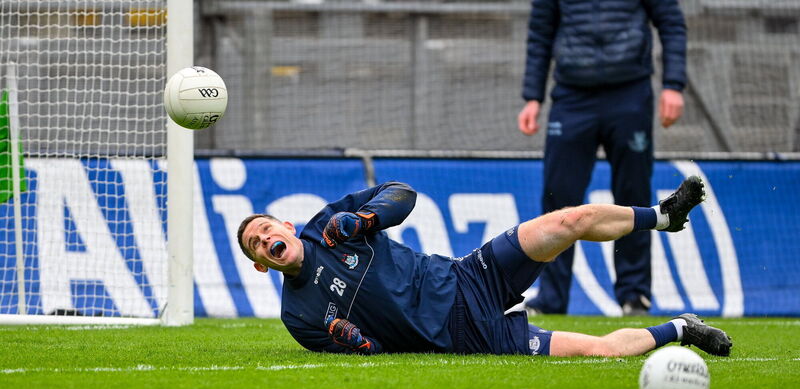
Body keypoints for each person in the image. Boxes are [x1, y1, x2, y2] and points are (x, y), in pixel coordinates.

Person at [237, 179, 732, 358]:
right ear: (261, 266)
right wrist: (358, 344)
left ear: (285, 225)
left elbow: (402, 194)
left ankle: (663, 216)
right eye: (256, 246)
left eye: (264, 229)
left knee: (570, 220)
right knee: (598, 350)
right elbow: (376, 352)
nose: (264, 240)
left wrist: (366, 218)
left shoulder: (330, 223)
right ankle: (682, 329)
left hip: (467, 276)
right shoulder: (299, 318)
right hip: (468, 337)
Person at [517, 0, 687, 316]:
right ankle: (551, 298)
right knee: (558, 196)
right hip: (571, 96)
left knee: (633, 193)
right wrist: (532, 97)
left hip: (631, 93)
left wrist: (673, 85)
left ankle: (634, 296)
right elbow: (540, 32)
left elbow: (671, 22)